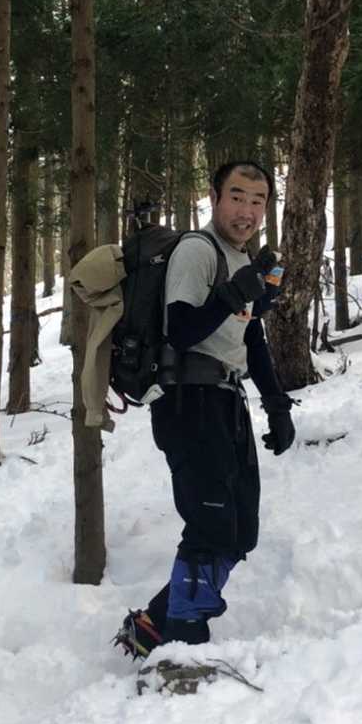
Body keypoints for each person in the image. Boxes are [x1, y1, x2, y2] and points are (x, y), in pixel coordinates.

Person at [115, 161, 295, 659]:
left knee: (239, 532)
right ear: (215, 197)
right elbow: (181, 329)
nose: (247, 210)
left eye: (258, 200)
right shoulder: (198, 250)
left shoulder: (243, 260)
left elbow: (251, 337)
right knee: (211, 526)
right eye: (237, 197)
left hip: (226, 399)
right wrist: (234, 295)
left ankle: (153, 627)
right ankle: (183, 652)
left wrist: (277, 404)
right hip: (188, 401)